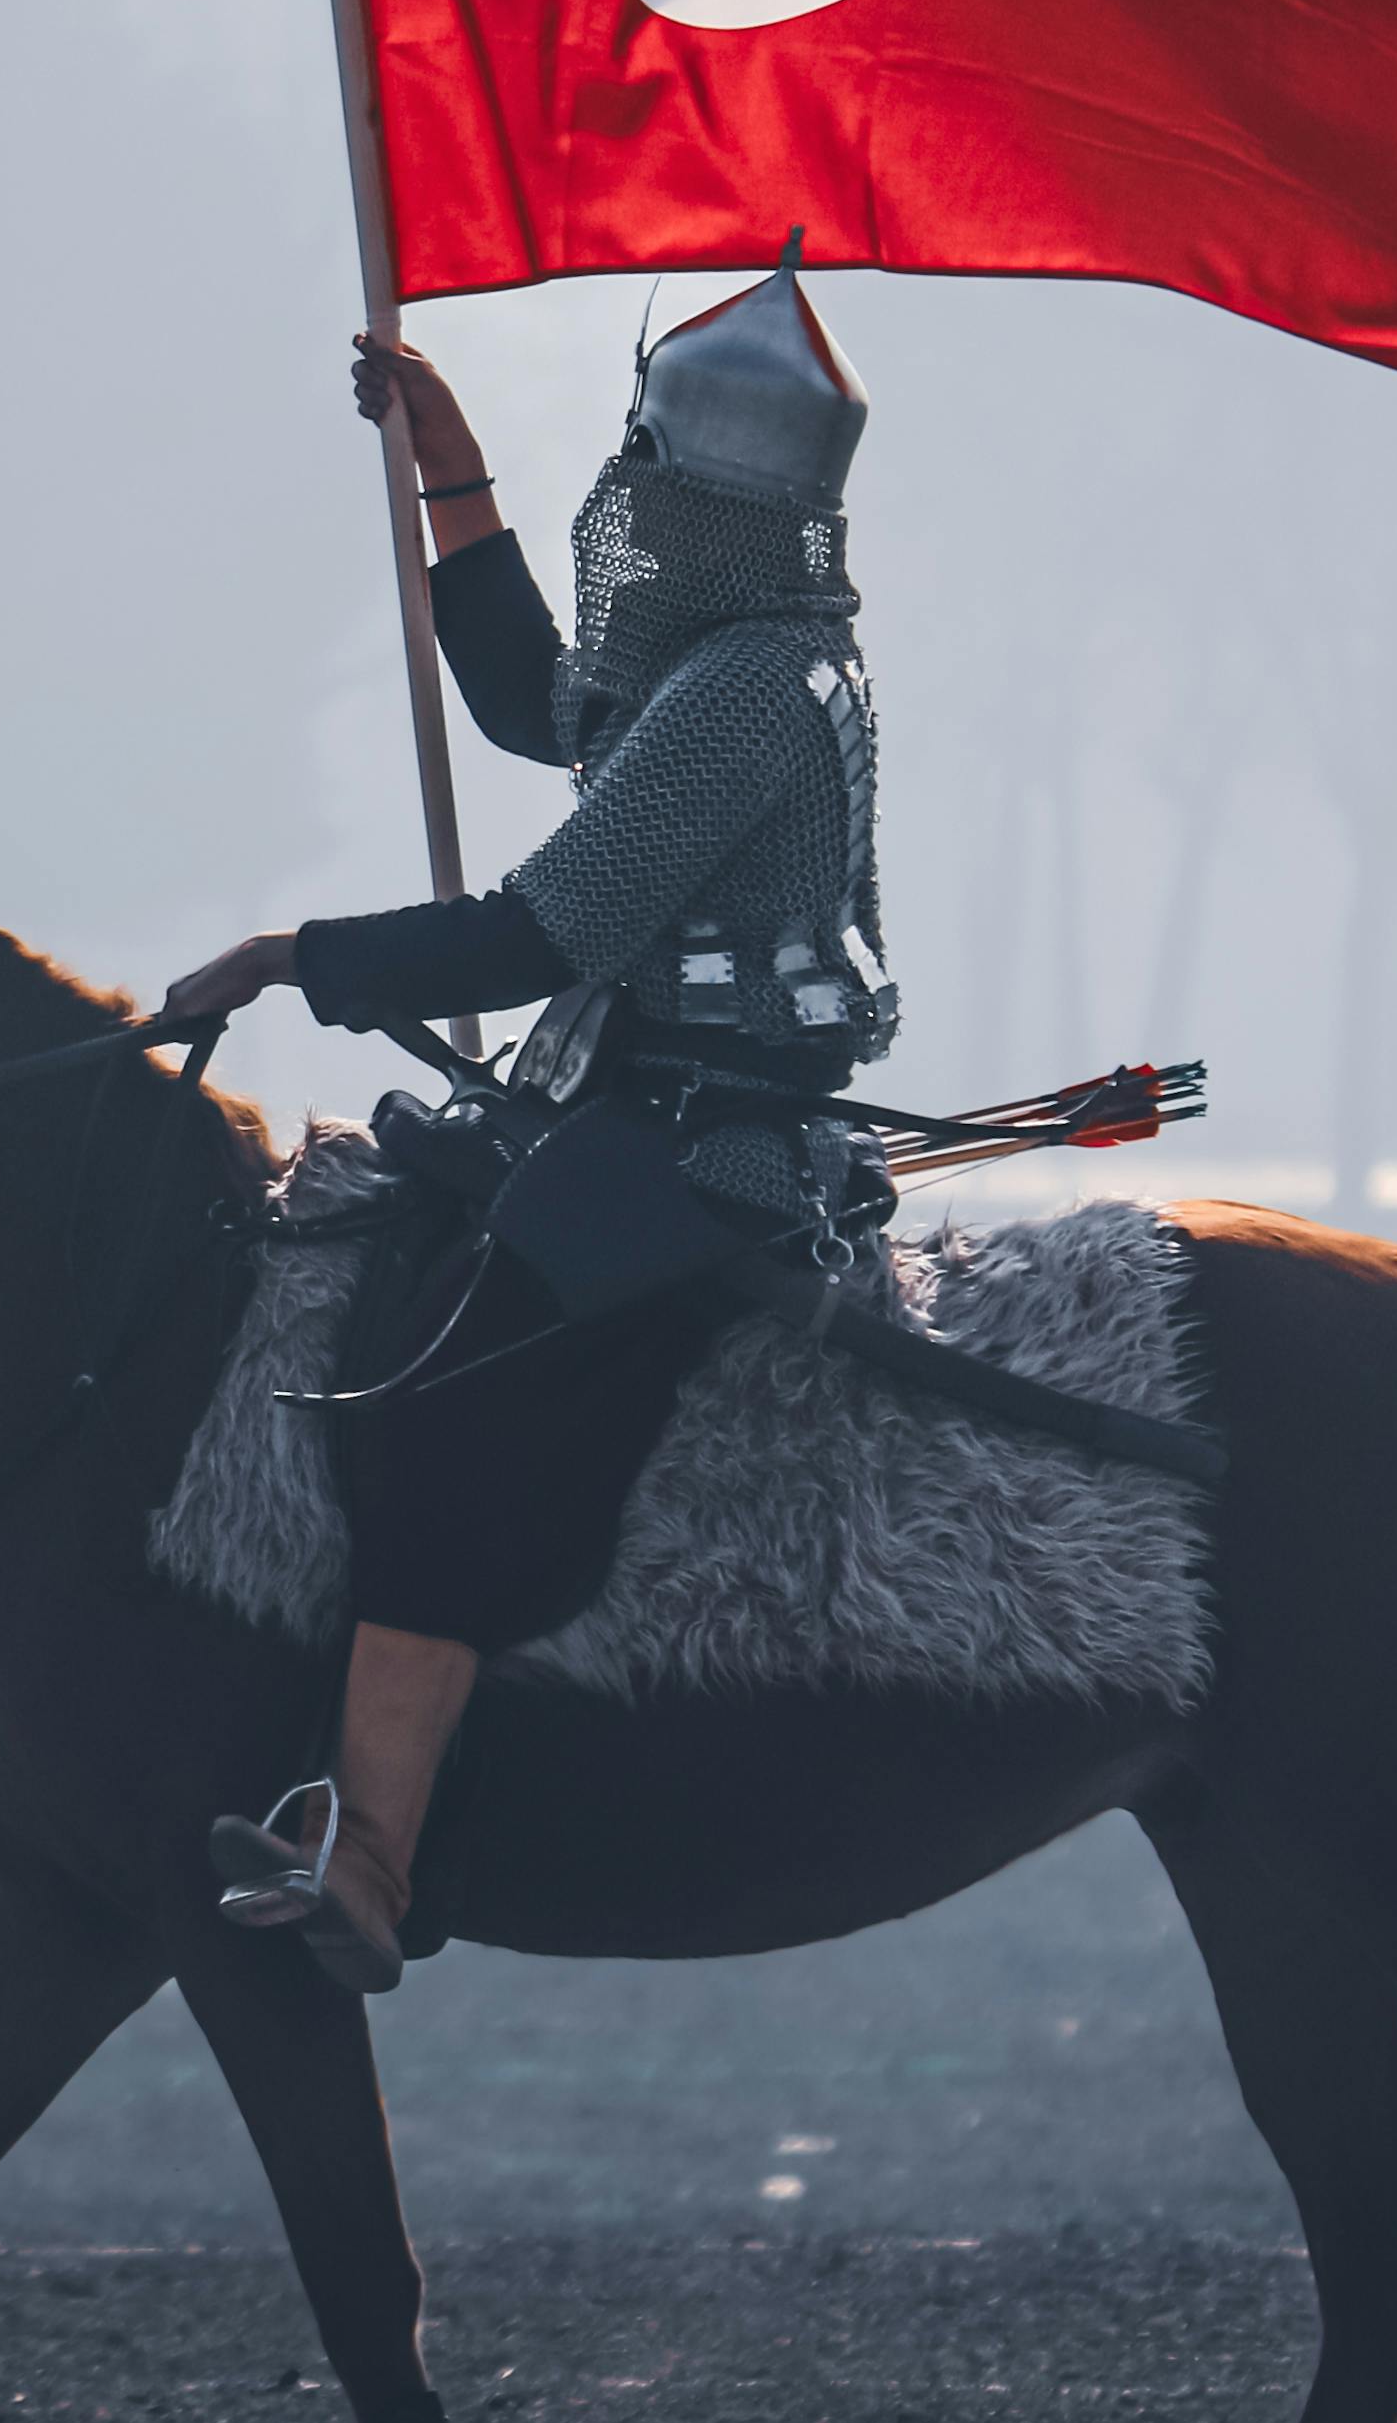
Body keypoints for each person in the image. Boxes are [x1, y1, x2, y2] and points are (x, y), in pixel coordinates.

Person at [161, 253, 897, 1990]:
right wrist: (449, 463)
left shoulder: (749, 691)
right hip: (634, 1103)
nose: (622, 494)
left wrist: (288, 958)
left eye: (647, 470)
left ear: (707, 505)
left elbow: (540, 933)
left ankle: (373, 1854)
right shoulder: (729, 660)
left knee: (456, 1414)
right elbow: (528, 704)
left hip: (708, 1150)